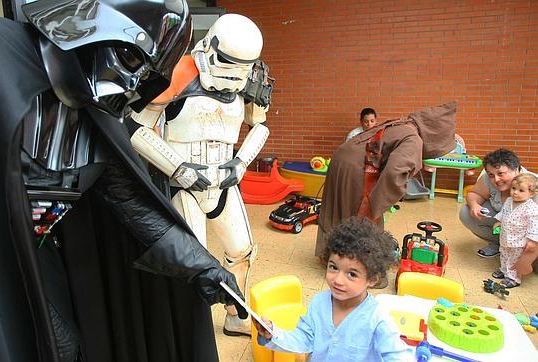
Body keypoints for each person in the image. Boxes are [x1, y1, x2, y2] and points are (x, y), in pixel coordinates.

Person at [0, 2, 247, 361]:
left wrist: (205, 268)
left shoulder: (97, 117)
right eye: (128, 59)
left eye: (143, 76)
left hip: (33, 256)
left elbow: (130, 203)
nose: (130, 86)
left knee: (63, 347)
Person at [128, 13, 272, 336]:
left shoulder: (249, 79)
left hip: (224, 181)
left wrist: (241, 162)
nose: (234, 75)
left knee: (243, 252)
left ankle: (236, 315)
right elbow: (136, 129)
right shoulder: (178, 73)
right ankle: (192, 332)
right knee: (191, 264)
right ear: (210, 48)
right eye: (227, 63)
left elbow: (259, 126)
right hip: (183, 185)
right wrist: (179, 168)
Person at [315, 102, 456, 269]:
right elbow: (395, 172)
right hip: (356, 169)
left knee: (337, 209)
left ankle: (329, 256)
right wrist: (377, 205)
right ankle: (357, 267)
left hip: (341, 159)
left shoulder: (402, 123)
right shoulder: (414, 139)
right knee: (361, 219)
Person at [253, 217, 410, 361]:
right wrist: (273, 333)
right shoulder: (319, 303)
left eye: (352, 274)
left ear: (372, 279)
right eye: (333, 267)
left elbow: (399, 356)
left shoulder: (377, 318)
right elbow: (303, 338)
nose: (338, 280)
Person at [459, 148, 538, 259]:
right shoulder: (487, 179)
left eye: (501, 173)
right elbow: (475, 194)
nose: (496, 179)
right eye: (491, 174)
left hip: (528, 230)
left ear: (516, 170)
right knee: (466, 213)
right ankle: (499, 244)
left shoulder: (533, 185)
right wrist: (474, 205)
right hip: (502, 220)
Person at [490, 173, 538, 288]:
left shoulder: (532, 208)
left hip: (519, 240)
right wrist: (499, 221)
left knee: (514, 259)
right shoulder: (509, 201)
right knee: (504, 254)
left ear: (531, 193)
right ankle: (504, 270)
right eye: (513, 188)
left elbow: (534, 225)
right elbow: (503, 213)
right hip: (506, 236)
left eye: (521, 190)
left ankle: (513, 278)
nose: (515, 192)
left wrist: (532, 241)